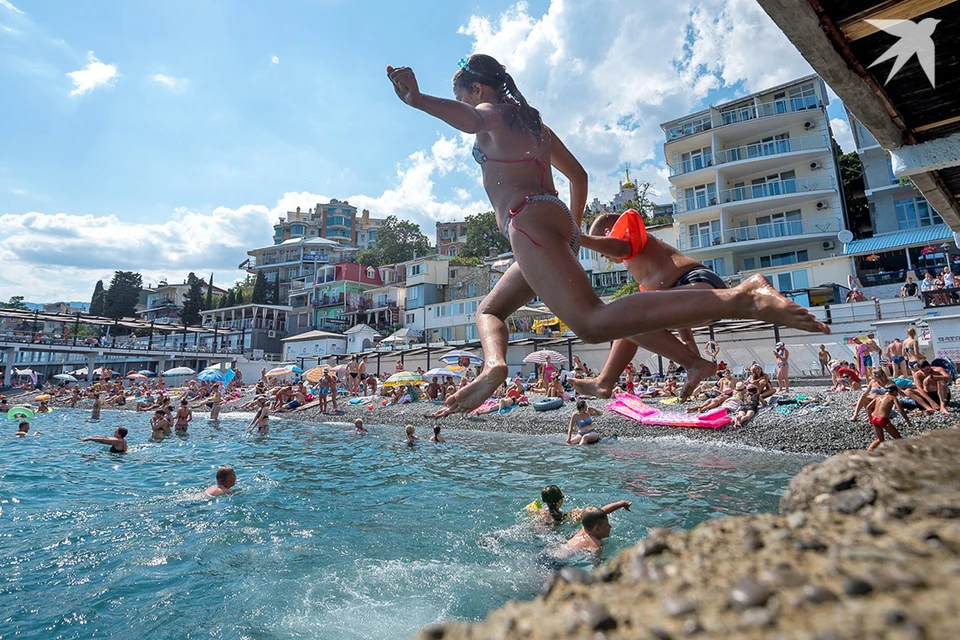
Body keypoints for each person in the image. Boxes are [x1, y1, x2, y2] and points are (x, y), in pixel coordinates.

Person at [387, 55, 828, 418]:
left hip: (526, 222)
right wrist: (573, 231)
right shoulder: (534, 124)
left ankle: (743, 297)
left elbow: (467, 120)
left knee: (591, 322)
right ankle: (496, 364)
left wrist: (417, 99)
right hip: (551, 219)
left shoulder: (489, 112)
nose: (464, 99)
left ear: (478, 90)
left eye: (462, 90)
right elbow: (577, 175)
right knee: (491, 309)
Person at [564, 501, 632, 553]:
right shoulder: (596, 545)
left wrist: (622, 503)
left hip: (559, 551)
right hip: (559, 564)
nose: (610, 527)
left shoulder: (585, 528)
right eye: (607, 525)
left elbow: (601, 512)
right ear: (597, 528)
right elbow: (596, 568)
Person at [865, 386, 911, 450]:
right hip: (883, 420)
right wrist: (908, 421)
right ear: (894, 392)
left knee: (880, 440)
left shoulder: (878, 397)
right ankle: (907, 453)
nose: (897, 395)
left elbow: (868, 407)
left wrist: (870, 419)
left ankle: (868, 451)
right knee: (899, 439)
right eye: (896, 393)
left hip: (874, 419)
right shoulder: (892, 398)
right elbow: (900, 410)